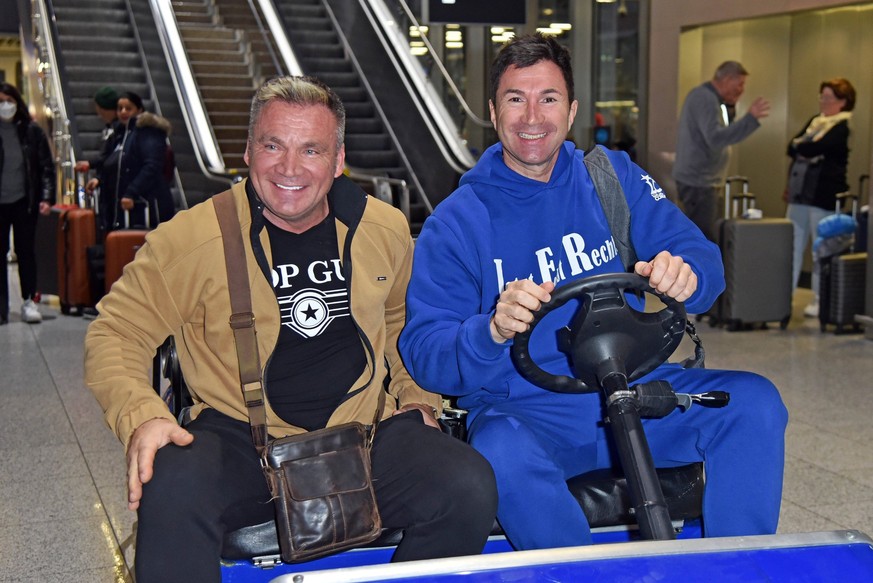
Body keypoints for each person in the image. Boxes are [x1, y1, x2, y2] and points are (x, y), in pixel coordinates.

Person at [84, 75, 497, 582]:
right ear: (248, 150)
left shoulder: (383, 229)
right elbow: (116, 332)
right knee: (169, 484)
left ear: (339, 160)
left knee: (467, 484)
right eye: (273, 146)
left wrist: (416, 396)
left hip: (363, 434)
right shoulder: (192, 239)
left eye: (311, 150)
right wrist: (144, 417)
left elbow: (400, 324)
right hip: (239, 438)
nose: (289, 168)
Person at [399, 34, 787, 552]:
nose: (532, 117)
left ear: (573, 109)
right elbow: (426, 354)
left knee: (754, 403)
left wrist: (685, 274)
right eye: (516, 99)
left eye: (549, 99)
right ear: (493, 112)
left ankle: (734, 570)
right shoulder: (457, 221)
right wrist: (489, 330)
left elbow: (703, 262)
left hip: (632, 390)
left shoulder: (612, 179)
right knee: (499, 450)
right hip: (529, 413)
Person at [672, 61, 770, 241]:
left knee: (704, 235)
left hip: (703, 181)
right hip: (698, 182)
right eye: (739, 84)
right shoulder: (705, 98)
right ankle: (703, 270)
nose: (741, 90)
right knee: (702, 238)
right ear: (726, 79)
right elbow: (716, 138)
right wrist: (750, 119)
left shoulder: (715, 101)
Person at [784, 77, 856, 318]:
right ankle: (785, 297)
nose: (824, 102)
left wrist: (804, 148)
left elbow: (809, 148)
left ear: (843, 102)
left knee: (821, 248)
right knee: (792, 246)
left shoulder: (842, 127)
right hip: (800, 195)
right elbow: (791, 148)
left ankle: (819, 300)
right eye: (822, 96)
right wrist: (805, 148)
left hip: (823, 197)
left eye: (829, 98)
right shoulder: (815, 122)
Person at [0, 82, 54, 325]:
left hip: (25, 201)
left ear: (17, 102)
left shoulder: (32, 132)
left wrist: (46, 197)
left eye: (9, 101)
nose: (5, 106)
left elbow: (45, 167)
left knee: (26, 252)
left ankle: (29, 301)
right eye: (1, 101)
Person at [86, 91, 175, 232]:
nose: (123, 112)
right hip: (124, 206)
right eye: (119, 108)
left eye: (128, 108)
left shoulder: (148, 132)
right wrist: (99, 178)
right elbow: (113, 162)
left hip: (146, 205)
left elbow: (152, 166)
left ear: (139, 110)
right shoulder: (121, 134)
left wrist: (131, 192)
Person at [74, 86, 121, 228]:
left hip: (116, 188)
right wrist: (99, 178)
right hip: (109, 183)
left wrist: (90, 164)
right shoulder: (110, 129)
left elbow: (110, 157)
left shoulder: (118, 130)